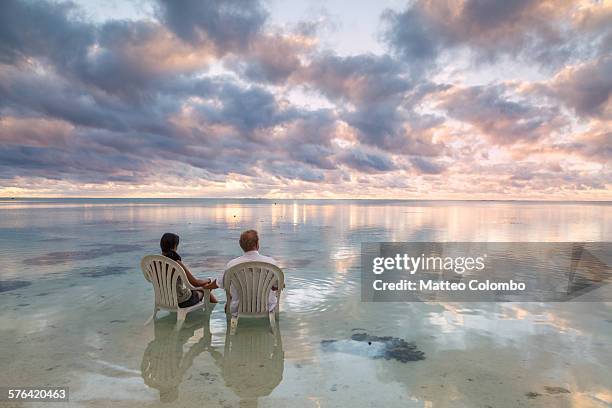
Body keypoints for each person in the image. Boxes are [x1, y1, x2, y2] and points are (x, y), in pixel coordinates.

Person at [203, 230, 279, 315]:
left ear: (241, 246)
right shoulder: (271, 263)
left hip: (238, 310)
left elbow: (219, 283)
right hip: (268, 309)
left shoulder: (232, 264)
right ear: (257, 244)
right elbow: (277, 287)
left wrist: (207, 287)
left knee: (230, 298)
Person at [160, 232, 217, 307]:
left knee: (199, 288)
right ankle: (214, 309)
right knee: (206, 287)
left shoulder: (154, 262)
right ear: (174, 246)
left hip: (163, 299)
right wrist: (208, 280)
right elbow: (195, 283)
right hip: (182, 301)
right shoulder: (176, 263)